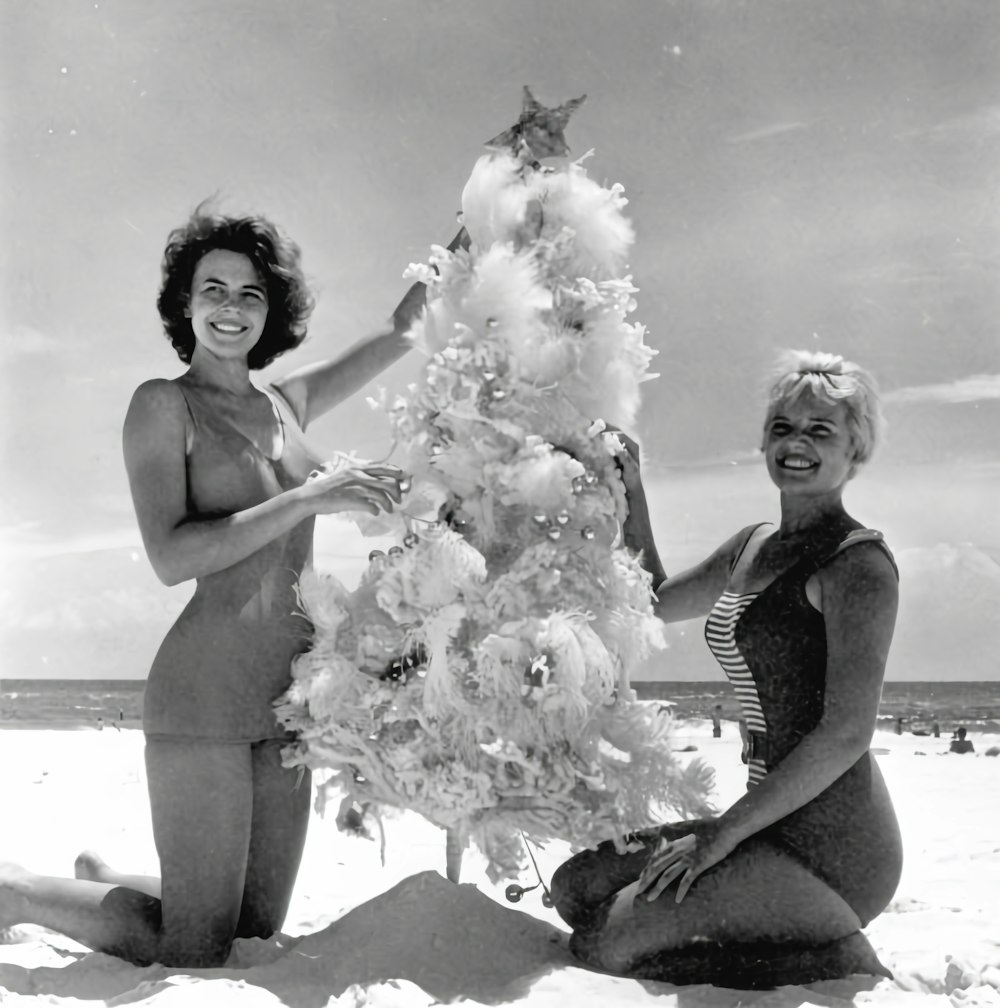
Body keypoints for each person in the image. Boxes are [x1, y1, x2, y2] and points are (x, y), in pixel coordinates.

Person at [0, 205, 467, 967]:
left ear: (271, 309)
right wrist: (310, 498)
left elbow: (402, 330)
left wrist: (476, 225)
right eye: (212, 289)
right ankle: (17, 891)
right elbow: (171, 555)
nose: (230, 307)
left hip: (288, 700)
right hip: (203, 696)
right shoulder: (163, 405)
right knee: (195, 948)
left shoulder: (286, 403)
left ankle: (110, 880)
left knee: (252, 933)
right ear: (183, 305)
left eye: (250, 293)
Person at [550, 350, 903, 985]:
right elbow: (652, 599)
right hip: (765, 822)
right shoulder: (751, 547)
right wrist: (631, 486)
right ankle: (761, 919)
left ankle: (830, 949)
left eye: (820, 430)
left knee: (607, 944)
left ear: (858, 449)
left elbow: (846, 734)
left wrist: (720, 836)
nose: (796, 443)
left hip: (835, 849)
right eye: (782, 427)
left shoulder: (858, 564)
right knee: (575, 889)